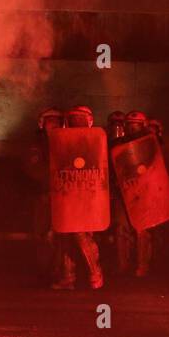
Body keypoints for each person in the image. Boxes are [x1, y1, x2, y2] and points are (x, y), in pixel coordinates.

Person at [51, 105, 104, 290]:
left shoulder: (95, 140)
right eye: (74, 119)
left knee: (82, 237)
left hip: (87, 196)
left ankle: (95, 273)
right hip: (69, 194)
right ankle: (68, 277)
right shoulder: (64, 141)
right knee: (65, 235)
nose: (76, 123)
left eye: (80, 119)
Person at [111, 109, 155, 277]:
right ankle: (123, 265)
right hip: (124, 192)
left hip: (143, 193)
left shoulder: (150, 144)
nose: (133, 129)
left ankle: (142, 266)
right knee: (121, 229)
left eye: (136, 126)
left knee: (142, 230)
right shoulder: (118, 144)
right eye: (130, 126)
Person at [23, 107, 62, 281]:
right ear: (42, 124)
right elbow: (34, 170)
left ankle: (58, 271)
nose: (52, 125)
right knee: (41, 235)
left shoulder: (65, 141)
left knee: (60, 236)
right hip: (43, 197)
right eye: (49, 122)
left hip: (62, 198)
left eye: (56, 122)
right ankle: (44, 271)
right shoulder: (36, 145)